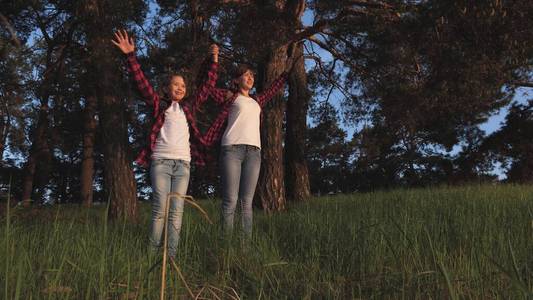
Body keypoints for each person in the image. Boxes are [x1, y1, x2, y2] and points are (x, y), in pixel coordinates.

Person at [111, 30, 219, 257]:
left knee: (176, 211)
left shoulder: (188, 107)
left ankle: (171, 257)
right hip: (160, 162)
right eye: (175, 85)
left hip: (183, 165)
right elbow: (142, 84)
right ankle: (152, 255)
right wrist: (131, 57)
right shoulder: (159, 105)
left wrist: (214, 61)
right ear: (167, 89)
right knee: (160, 208)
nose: (180, 88)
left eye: (183, 86)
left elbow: (207, 87)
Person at [200, 54, 295, 237]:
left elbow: (274, 88)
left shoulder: (257, 100)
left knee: (247, 202)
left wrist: (286, 72)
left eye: (252, 75)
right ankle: (226, 245)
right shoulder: (229, 96)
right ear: (236, 80)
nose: (250, 77)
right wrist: (213, 60)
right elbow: (207, 89)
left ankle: (245, 248)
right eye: (245, 75)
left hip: (254, 153)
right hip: (232, 150)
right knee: (230, 200)